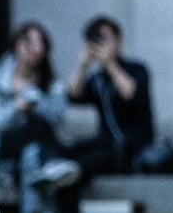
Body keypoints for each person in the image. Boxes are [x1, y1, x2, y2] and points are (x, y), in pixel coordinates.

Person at [0, 20, 86, 213]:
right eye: (30, 42)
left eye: (41, 43)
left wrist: (36, 101)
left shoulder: (49, 80)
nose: (36, 49)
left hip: (32, 156)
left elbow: (57, 119)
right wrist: (16, 107)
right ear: (16, 45)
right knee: (39, 156)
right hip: (4, 157)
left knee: (32, 158)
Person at [66, 15, 156, 174]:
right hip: (105, 144)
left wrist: (109, 64)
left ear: (119, 40)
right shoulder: (98, 79)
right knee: (66, 152)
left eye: (105, 38)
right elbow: (73, 95)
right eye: (96, 40)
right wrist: (82, 65)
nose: (101, 45)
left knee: (87, 163)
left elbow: (130, 94)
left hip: (134, 147)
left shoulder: (137, 69)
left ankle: (71, 171)